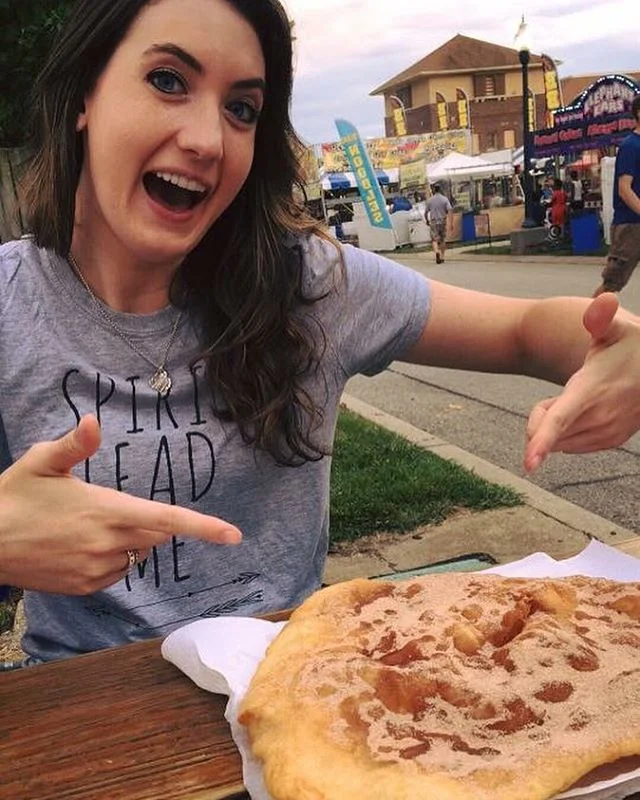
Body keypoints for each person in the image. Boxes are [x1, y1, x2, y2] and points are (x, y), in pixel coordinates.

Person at [2, 0, 640, 667]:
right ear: (84, 94)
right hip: (74, 719)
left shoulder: (307, 284)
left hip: (296, 693)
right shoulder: (10, 302)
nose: (207, 139)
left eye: (241, 109)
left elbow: (522, 330)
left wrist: (620, 347)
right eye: (168, 81)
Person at [593, 95, 640, 297]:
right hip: (631, 226)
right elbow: (624, 188)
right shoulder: (631, 146)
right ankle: (584, 323)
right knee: (613, 283)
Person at [425, 183, 452, 264]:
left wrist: (427, 220)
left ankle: (437, 252)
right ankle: (442, 257)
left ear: (433, 190)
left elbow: (426, 212)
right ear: (440, 190)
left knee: (434, 239)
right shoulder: (444, 199)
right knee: (442, 239)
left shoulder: (430, 200)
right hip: (442, 221)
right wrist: (450, 221)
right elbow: (450, 210)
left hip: (433, 222)